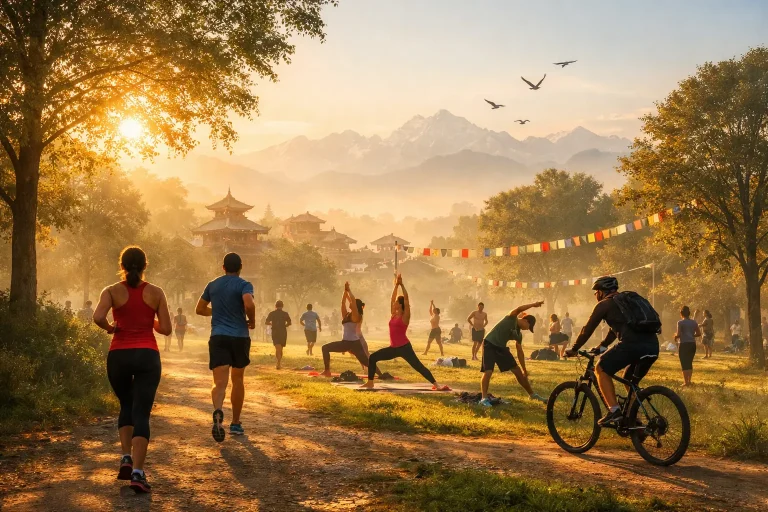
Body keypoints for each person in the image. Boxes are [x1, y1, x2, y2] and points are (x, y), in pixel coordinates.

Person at [93, 246, 171, 494]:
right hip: (147, 356)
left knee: (126, 405)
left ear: (122, 265)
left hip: (119, 356)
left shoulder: (111, 291)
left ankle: (126, 457)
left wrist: (110, 328)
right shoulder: (156, 293)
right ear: (145, 265)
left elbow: (97, 317)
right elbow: (167, 329)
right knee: (142, 412)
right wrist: (150, 320)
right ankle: (138, 473)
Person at [565, 276, 660, 425]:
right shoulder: (626, 303)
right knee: (629, 380)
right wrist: (602, 347)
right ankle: (637, 423)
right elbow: (615, 330)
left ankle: (614, 411)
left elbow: (587, 329)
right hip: (653, 346)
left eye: (596, 292)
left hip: (631, 346)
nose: (596, 296)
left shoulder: (605, 304)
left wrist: (574, 348)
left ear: (601, 292)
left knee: (600, 368)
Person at [196, 252, 256, 442]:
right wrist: (251, 320)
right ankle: (236, 423)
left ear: (223, 267)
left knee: (219, 382)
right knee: (237, 380)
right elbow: (249, 303)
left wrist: (218, 311)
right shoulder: (244, 284)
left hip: (219, 336)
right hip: (239, 337)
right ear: (241, 267)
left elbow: (199, 309)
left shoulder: (212, 285)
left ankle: (218, 411)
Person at [361, 274, 445, 390]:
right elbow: (392, 298)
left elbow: (406, 298)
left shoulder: (405, 316)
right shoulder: (393, 314)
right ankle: (370, 382)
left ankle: (436, 384)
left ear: (400, 305)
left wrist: (402, 284)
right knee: (373, 358)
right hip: (393, 348)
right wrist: (396, 286)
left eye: (396, 302)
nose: (394, 303)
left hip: (404, 347)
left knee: (418, 366)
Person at [478, 301, 548, 407]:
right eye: (528, 327)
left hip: (501, 347)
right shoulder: (511, 318)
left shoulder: (518, 334)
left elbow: (520, 352)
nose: (526, 329)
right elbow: (519, 309)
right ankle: (484, 399)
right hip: (490, 343)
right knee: (488, 371)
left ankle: (532, 394)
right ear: (525, 320)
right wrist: (533, 305)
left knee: (517, 371)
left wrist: (524, 369)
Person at [319, 283, 380, 377]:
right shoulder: (347, 315)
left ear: (356, 306)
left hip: (353, 343)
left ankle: (381, 374)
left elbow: (353, 302)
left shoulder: (357, 316)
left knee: (366, 361)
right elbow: (343, 303)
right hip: (347, 342)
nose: (350, 303)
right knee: (325, 348)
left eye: (352, 303)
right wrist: (345, 291)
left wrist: (349, 291)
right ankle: (327, 371)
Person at [674, 306, 701, 387]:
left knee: (684, 363)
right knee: (689, 362)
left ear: (681, 314)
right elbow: (699, 333)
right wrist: (692, 335)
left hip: (684, 344)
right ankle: (689, 381)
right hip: (692, 344)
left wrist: (675, 336)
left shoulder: (680, 323)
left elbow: (678, 334)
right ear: (689, 313)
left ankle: (686, 382)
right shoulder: (694, 322)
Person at [266, 301, 291, 369]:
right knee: (281, 348)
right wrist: (284, 325)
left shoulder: (272, 313)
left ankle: (278, 363)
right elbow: (289, 322)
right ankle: (279, 362)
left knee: (277, 348)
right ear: (282, 306)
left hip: (275, 331)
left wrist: (272, 324)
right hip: (283, 332)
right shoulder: (285, 314)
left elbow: (266, 322)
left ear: (275, 306)